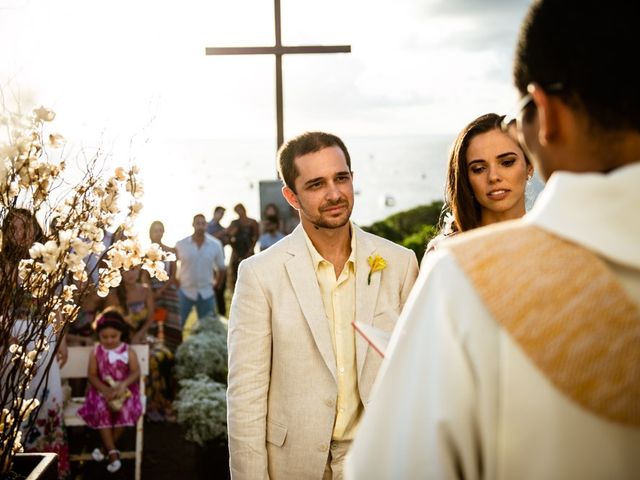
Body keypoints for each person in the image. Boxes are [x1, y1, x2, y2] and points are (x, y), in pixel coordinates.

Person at [346, 1, 640, 479]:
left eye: (508, 157)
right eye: (478, 168)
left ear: (544, 115)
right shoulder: (449, 259)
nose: (494, 178)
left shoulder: (465, 279)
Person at [227, 131, 419, 479]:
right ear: (291, 196)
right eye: (316, 184)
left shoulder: (400, 263)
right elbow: (246, 397)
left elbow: (416, 377)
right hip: (294, 466)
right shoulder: (259, 275)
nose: (334, 194)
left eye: (341, 178)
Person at [1, 208, 70, 478]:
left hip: (43, 337)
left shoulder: (47, 260)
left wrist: (61, 339)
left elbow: (57, 302)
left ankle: (49, 467)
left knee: (46, 397)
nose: (20, 232)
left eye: (25, 226)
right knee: (12, 400)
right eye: (13, 228)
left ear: (35, 229)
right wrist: (6, 335)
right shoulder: (3, 265)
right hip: (10, 340)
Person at [426, 113, 533, 253]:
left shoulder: (558, 244)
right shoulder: (443, 252)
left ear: (529, 167)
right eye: (479, 169)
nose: (493, 177)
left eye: (507, 162)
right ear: (466, 177)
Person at [78, 309, 143, 474]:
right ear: (98, 335)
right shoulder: (96, 352)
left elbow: (135, 372)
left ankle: (106, 448)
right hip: (101, 389)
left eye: (113, 336)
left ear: (121, 333)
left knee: (125, 408)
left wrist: (123, 385)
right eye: (104, 337)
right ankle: (113, 453)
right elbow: (92, 375)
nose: (109, 340)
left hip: (124, 389)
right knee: (101, 408)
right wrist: (105, 389)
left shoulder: (128, 351)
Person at [175, 214, 226, 325]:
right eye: (198, 223)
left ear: (206, 226)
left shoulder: (215, 245)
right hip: (185, 291)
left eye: (203, 223)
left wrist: (217, 285)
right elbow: (173, 264)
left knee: (207, 328)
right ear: (193, 224)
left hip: (206, 292)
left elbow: (221, 268)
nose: (200, 226)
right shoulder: (181, 244)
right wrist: (176, 282)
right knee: (177, 325)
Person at [148, 220, 181, 348]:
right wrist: (152, 291)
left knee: (172, 321)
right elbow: (144, 274)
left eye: (160, 230)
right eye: (155, 230)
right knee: (153, 321)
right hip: (151, 291)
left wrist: (161, 290)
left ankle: (173, 351)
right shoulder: (146, 252)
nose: (158, 233)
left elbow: (173, 274)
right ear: (150, 233)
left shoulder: (171, 250)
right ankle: (154, 352)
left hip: (168, 289)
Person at [226, 203, 259, 288]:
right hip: (237, 252)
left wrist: (251, 249)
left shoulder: (252, 222)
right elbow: (228, 236)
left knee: (250, 275)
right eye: (237, 211)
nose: (240, 212)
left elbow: (256, 236)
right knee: (235, 275)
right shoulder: (234, 223)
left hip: (248, 251)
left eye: (240, 210)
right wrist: (234, 249)